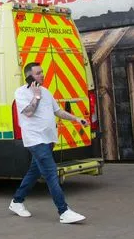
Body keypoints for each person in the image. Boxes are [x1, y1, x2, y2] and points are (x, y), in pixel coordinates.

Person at [8, 62, 88, 224]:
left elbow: (57, 111)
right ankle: (63, 211)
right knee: (51, 173)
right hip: (35, 140)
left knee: (34, 172)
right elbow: (29, 113)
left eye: (42, 72)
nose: (42, 75)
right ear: (29, 76)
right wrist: (36, 96)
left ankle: (17, 201)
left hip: (48, 139)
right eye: (38, 73)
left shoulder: (46, 91)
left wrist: (76, 119)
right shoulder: (21, 93)